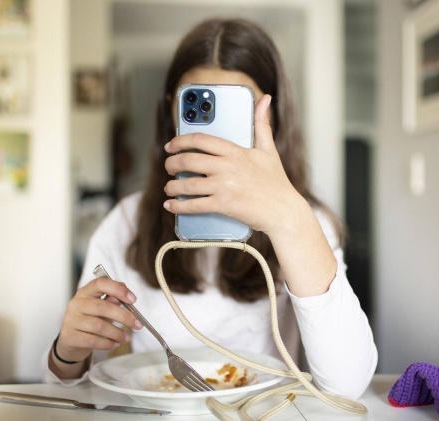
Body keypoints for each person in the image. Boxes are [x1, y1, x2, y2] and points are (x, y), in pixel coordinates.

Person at [42, 18, 377, 398]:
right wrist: (67, 353)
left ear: (273, 118)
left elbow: (347, 386)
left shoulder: (304, 221)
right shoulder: (125, 223)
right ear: (171, 111)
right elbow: (77, 387)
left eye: (234, 111)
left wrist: (290, 219)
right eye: (199, 106)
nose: (214, 136)